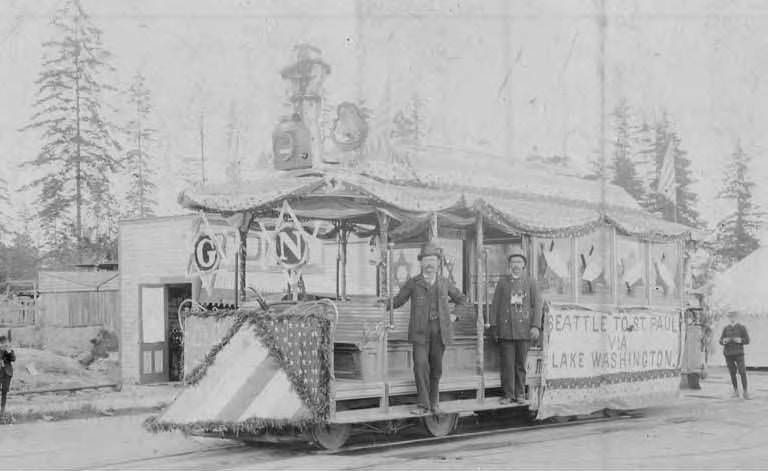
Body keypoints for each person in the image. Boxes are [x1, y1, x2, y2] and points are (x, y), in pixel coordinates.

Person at [383, 241, 468, 415]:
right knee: (420, 365)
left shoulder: (445, 283)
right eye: (426, 260)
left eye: (433, 260)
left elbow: (462, 300)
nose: (429, 264)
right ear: (421, 263)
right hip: (420, 333)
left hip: (440, 332)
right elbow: (398, 301)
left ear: (438, 263)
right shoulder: (414, 283)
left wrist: (454, 315)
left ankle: (434, 403)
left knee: (436, 368)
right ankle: (423, 405)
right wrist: (382, 304)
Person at [490, 246, 543, 404]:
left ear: (524, 265)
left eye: (519, 262)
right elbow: (495, 305)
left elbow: (538, 305)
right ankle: (508, 395)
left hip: (523, 331)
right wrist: (494, 327)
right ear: (509, 264)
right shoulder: (503, 282)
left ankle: (520, 394)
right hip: (506, 331)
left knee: (520, 364)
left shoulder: (530, 282)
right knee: (507, 364)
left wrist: (535, 326)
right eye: (513, 261)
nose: (516, 265)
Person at [720, 311, 750, 399]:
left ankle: (745, 392)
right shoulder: (726, 328)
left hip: (739, 353)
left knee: (742, 372)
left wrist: (740, 340)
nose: (732, 319)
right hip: (728, 354)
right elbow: (720, 340)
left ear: (737, 318)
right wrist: (723, 341)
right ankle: (735, 391)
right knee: (732, 373)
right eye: (730, 317)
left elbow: (747, 340)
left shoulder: (741, 328)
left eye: (733, 317)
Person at [0, 335, 15, 416]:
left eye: (5, 343)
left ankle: (2, 410)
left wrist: (8, 351)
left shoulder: (9, 350)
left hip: (7, 374)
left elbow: (13, 359)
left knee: (4, 392)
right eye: (2, 343)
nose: (4, 344)